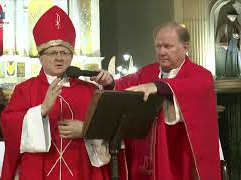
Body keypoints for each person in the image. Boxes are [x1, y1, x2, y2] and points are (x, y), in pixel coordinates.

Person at [0, 6, 127, 180]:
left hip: (82, 170)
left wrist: (86, 130)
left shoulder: (89, 90)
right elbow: (9, 126)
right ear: (40, 56)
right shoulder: (25, 89)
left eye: (65, 53)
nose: (59, 58)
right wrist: (41, 111)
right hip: (40, 170)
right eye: (52, 53)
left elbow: (115, 127)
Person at [94, 22, 221, 180]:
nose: (162, 52)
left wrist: (158, 86)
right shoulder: (146, 72)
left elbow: (192, 88)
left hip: (180, 159)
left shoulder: (201, 75)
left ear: (185, 46)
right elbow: (121, 86)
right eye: (158, 46)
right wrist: (109, 81)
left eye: (168, 46)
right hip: (144, 158)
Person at [215, 8, 241, 77]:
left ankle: (235, 74)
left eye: (234, 16)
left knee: (235, 58)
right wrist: (221, 44)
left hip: (235, 44)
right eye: (232, 16)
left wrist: (237, 36)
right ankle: (228, 74)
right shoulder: (224, 25)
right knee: (228, 58)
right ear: (228, 16)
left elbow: (239, 33)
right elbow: (219, 35)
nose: (233, 17)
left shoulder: (237, 24)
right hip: (227, 45)